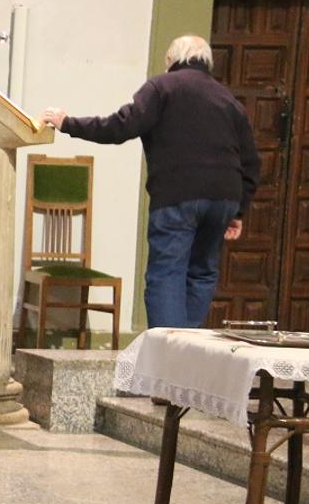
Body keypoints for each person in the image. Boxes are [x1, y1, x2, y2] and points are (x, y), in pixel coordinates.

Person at [39, 34, 260, 328]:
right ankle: (189, 349)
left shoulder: (162, 86)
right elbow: (251, 162)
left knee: (167, 271)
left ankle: (169, 353)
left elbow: (120, 127)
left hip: (178, 194)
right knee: (202, 273)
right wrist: (239, 211)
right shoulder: (229, 100)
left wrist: (69, 124)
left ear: (171, 60)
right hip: (224, 197)